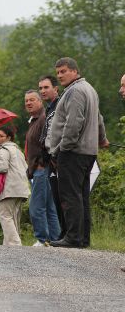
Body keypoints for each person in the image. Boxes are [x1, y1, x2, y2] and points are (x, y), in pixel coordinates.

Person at [46, 57, 109, 248]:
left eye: (63, 71)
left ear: (74, 71)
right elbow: (99, 118)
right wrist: (102, 138)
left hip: (73, 151)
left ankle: (73, 237)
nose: (60, 75)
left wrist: (60, 149)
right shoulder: (89, 89)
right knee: (81, 195)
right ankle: (83, 238)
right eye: (58, 73)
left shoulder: (74, 91)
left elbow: (74, 124)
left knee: (70, 195)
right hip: (88, 151)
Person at [24, 90, 60, 246]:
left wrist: (39, 163)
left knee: (36, 207)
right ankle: (55, 239)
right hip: (38, 168)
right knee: (49, 207)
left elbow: (46, 144)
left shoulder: (43, 119)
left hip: (42, 168)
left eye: (32, 100)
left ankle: (42, 239)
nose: (28, 103)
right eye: (26, 101)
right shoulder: (34, 120)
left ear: (40, 101)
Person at [0, 127, 30, 246]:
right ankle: (8, 246)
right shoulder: (17, 150)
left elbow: (2, 166)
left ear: (9, 137)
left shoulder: (3, 149)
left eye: (1, 136)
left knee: (5, 216)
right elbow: (26, 167)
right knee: (13, 218)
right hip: (21, 189)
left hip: (9, 189)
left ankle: (15, 245)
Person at [38, 74, 65, 237]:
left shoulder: (60, 105)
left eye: (46, 87)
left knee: (64, 199)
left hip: (60, 157)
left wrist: (55, 154)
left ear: (56, 88)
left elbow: (61, 132)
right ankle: (63, 234)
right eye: (40, 88)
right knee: (56, 199)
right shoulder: (49, 108)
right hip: (50, 159)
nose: (42, 91)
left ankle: (69, 234)